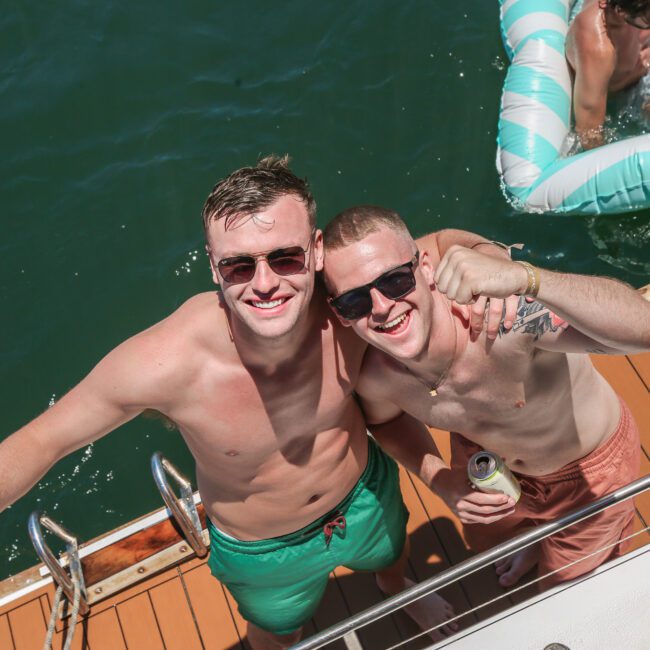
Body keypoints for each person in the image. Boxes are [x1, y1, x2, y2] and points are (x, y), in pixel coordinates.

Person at [0, 156, 517, 648]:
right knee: (276, 633)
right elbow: (43, 440)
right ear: (213, 266)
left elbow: (447, 244)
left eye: (285, 257)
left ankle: (397, 589)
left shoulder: (354, 298)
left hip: (363, 495)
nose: (265, 283)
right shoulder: (168, 362)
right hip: (263, 551)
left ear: (316, 251)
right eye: (239, 266)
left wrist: (499, 270)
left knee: (391, 558)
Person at [322, 205, 650, 590]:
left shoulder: (506, 321)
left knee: (562, 588)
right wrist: (440, 479)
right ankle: (531, 540)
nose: (380, 307)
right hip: (487, 467)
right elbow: (387, 421)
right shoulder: (376, 375)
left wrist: (528, 278)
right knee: (485, 542)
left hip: (585, 473)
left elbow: (644, 328)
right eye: (355, 302)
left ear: (425, 269)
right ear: (339, 313)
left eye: (395, 282)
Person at [566, 0, 650, 150]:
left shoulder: (634, 11)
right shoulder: (598, 48)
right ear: (620, 11)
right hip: (623, 97)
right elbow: (589, 133)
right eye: (648, 19)